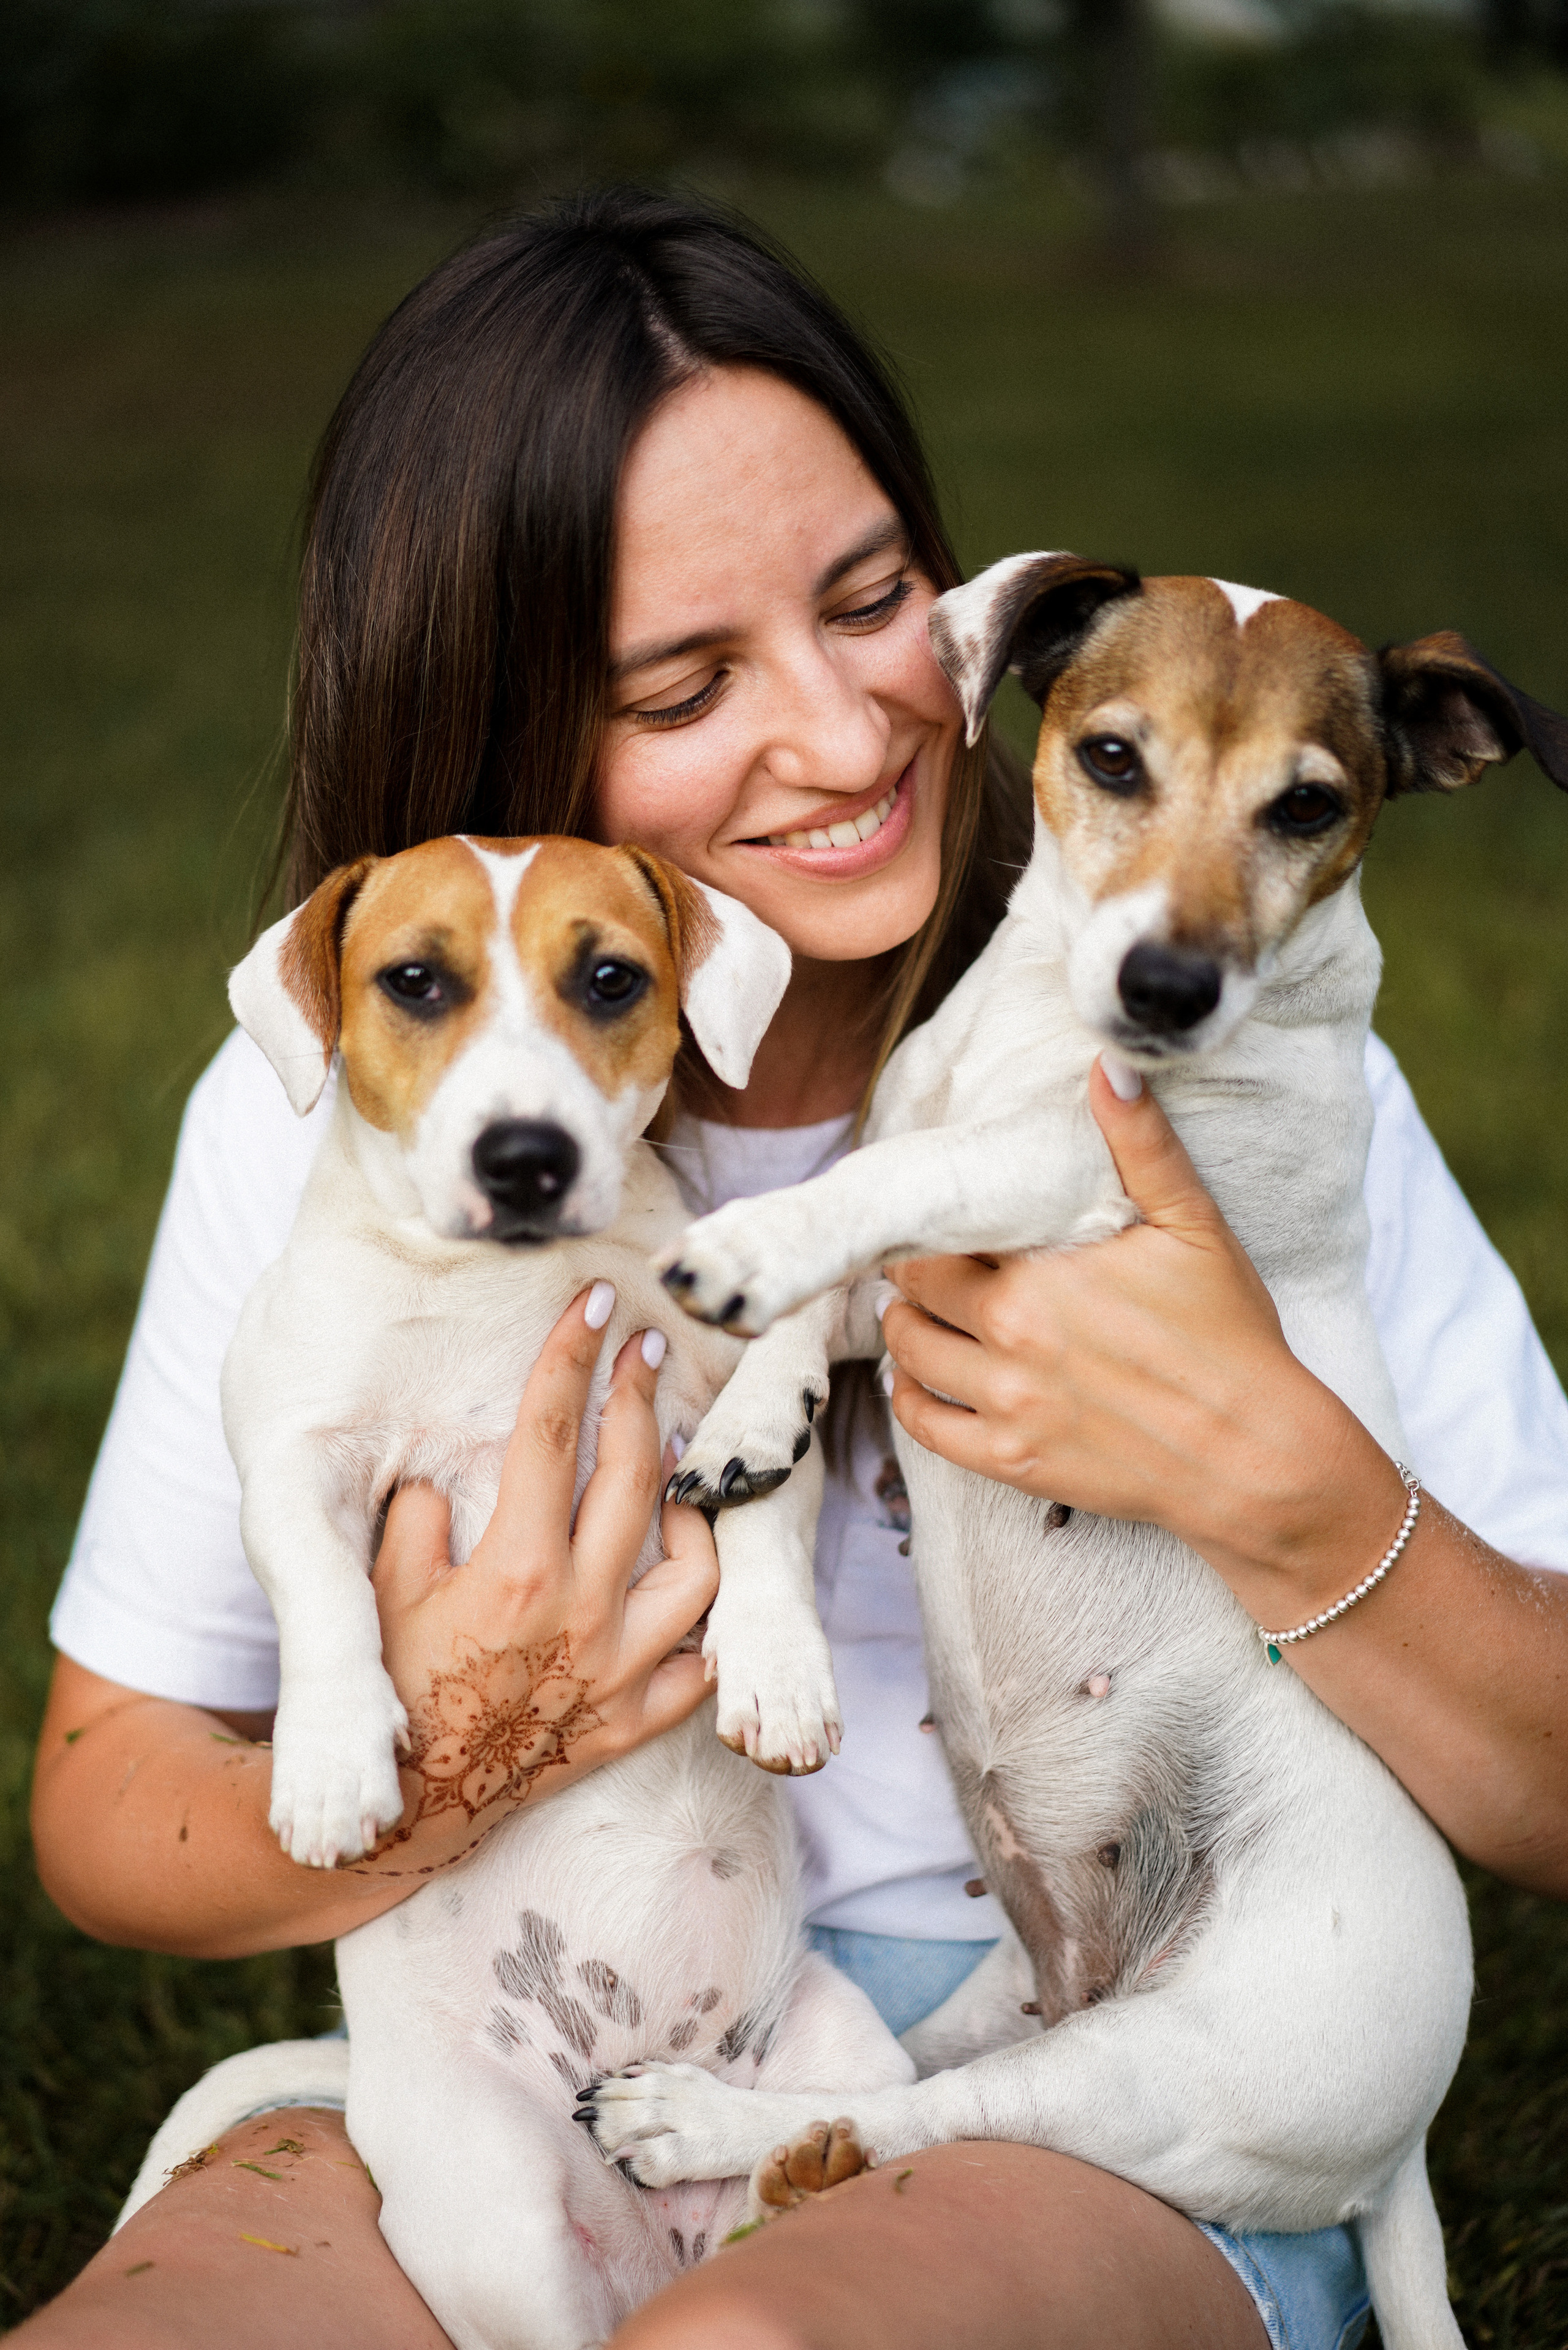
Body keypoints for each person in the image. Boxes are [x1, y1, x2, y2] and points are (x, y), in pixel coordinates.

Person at [21, 187, 1568, 2350]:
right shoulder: (341, 1116)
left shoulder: (1236, 1082)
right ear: (509, 720)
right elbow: (107, 1806)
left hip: (1100, 2072)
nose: (848, 739)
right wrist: (461, 1748)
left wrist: (1290, 1488)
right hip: (519, 2029)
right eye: (687, 684)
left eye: (871, 602)